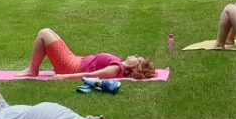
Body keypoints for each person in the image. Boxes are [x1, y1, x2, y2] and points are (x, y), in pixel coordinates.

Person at [15, 28, 157, 80]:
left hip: (70, 66)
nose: (135, 55)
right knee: (48, 32)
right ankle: (32, 68)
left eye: (138, 58)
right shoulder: (118, 64)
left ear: (134, 67)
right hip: (74, 60)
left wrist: (64, 77)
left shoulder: (116, 68)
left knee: (44, 33)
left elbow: (90, 76)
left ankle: (32, 70)